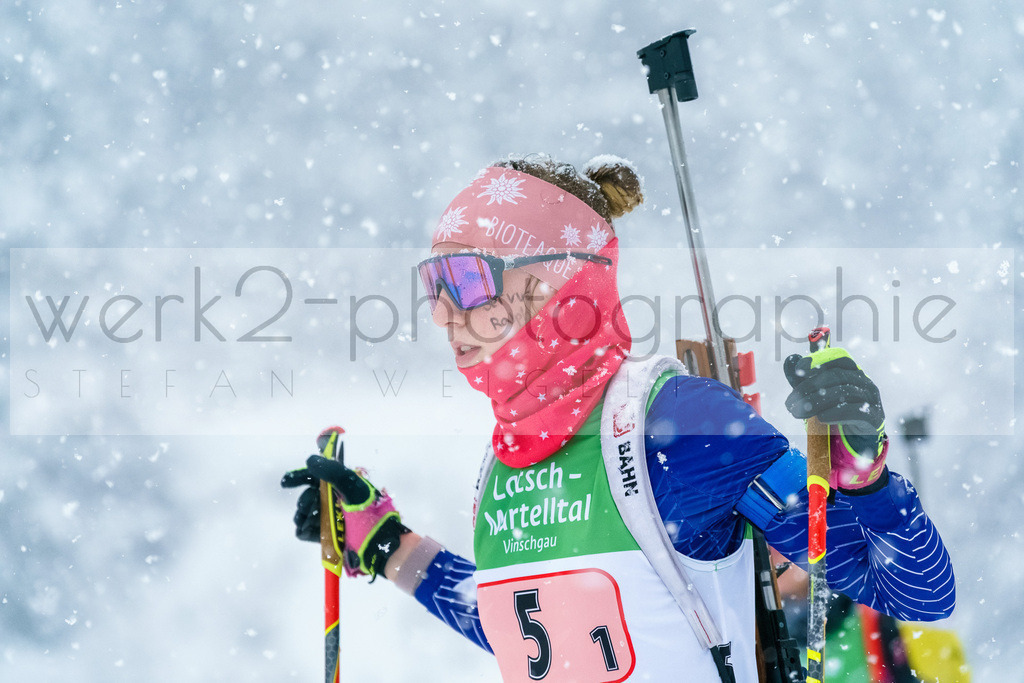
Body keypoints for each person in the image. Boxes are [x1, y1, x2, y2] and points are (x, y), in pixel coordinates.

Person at [282, 154, 956, 682]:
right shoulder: (505, 459)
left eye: (464, 280)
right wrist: (388, 544)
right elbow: (533, 638)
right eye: (434, 285)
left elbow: (917, 594)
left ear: (552, 284)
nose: (441, 313)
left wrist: (868, 486)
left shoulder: (678, 423)